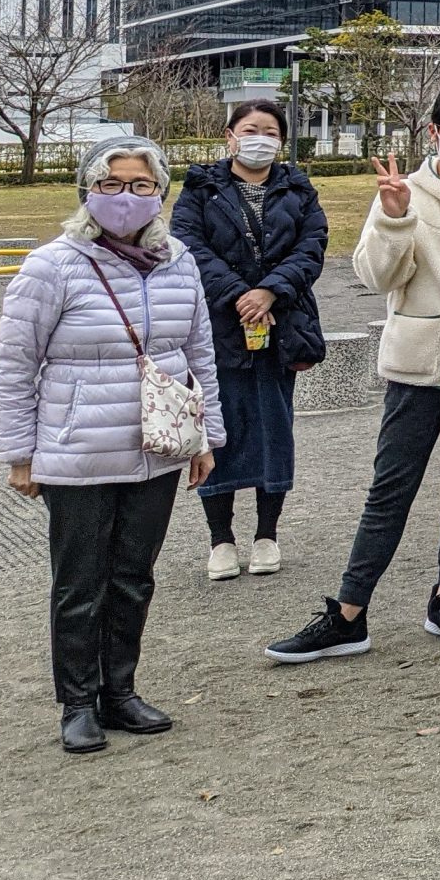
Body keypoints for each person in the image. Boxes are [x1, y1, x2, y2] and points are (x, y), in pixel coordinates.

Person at [268, 86, 440, 665]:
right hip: (415, 368)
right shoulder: (405, 191)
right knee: (389, 490)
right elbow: (375, 277)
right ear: (434, 131)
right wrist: (394, 218)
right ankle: (348, 612)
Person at [0, 137, 222, 754]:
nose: (127, 196)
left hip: (159, 449)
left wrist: (206, 436)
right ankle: (77, 702)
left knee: (133, 576)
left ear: (162, 193)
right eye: (112, 183)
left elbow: (199, 353)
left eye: (142, 185)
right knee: (79, 582)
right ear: (88, 190)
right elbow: (14, 364)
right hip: (77, 451)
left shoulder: (180, 261)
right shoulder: (52, 265)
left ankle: (119, 691)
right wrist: (20, 453)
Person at [172, 99, 326, 580]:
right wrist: (240, 294)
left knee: (273, 428)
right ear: (230, 134)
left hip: (282, 327)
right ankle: (220, 540)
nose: (260, 138)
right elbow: (188, 245)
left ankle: (267, 535)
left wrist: (270, 291)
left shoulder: (298, 188)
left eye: (271, 131)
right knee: (218, 427)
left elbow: (312, 245)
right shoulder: (201, 187)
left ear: (282, 139)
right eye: (250, 129)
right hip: (219, 327)